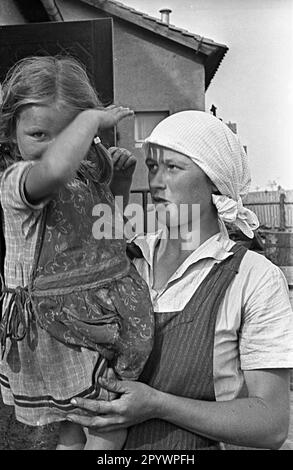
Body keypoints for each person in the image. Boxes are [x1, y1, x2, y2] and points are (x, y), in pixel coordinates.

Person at [66, 110, 293, 450]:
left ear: (214, 181)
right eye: (153, 167)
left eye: (173, 167)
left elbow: (271, 424)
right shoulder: (128, 257)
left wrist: (158, 404)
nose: (156, 182)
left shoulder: (253, 278)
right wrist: (113, 190)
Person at [0, 55, 154, 450]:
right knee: (106, 423)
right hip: (57, 325)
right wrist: (87, 122)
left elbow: (108, 232)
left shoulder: (85, 174)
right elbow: (54, 169)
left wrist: (118, 184)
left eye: (68, 132)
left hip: (94, 313)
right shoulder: (20, 180)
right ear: (10, 132)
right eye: (39, 134)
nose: (56, 145)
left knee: (74, 424)